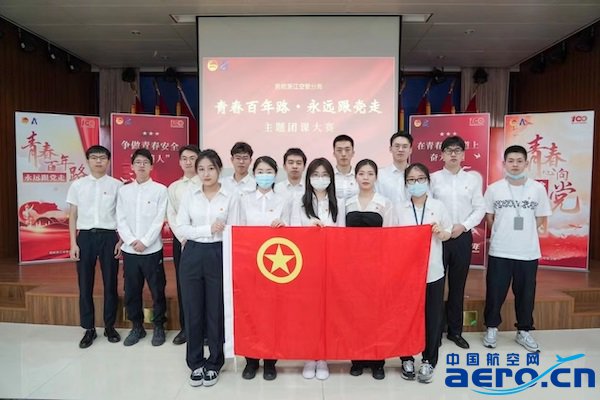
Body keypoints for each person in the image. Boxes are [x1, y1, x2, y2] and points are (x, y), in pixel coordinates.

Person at [176, 149, 239, 388]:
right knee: (193, 309)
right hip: (192, 252)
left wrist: (214, 232)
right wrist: (208, 229)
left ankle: (214, 362)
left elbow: (235, 227)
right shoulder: (190, 196)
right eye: (201, 169)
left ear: (219, 170)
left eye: (211, 168)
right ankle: (195, 362)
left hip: (219, 252)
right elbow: (182, 228)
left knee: (216, 309)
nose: (206, 173)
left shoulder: (230, 196)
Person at [482, 145, 551, 353]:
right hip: (500, 250)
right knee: (495, 292)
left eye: (519, 161)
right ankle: (491, 328)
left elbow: (541, 217)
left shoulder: (537, 189)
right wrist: (502, 232)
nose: (515, 165)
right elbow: (489, 217)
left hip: (527, 251)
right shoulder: (494, 189)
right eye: (511, 161)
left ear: (526, 163)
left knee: (526, 294)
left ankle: (524, 330)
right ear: (504, 164)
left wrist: (525, 233)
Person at [395, 163, 452, 384]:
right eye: (411, 180)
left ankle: (429, 360)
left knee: (432, 317)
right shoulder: (399, 209)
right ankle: (406, 358)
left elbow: (448, 233)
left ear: (428, 181)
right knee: (406, 316)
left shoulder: (438, 206)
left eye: (420, 179)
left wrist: (441, 232)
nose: (416, 183)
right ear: (405, 184)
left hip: (433, 271)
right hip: (405, 273)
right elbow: (390, 238)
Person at [290, 157, 344, 380]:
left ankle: (323, 357)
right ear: (308, 178)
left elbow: (342, 234)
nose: (320, 179)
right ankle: (309, 356)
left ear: (331, 178)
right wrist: (309, 230)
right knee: (308, 312)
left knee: (327, 312)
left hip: (330, 264)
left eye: (324, 175)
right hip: (306, 265)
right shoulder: (299, 202)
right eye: (315, 175)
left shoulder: (339, 202)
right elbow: (293, 232)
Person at [239, 156, 292, 381]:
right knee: (250, 311)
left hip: (275, 264)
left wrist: (283, 226)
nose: (264, 175)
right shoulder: (243, 199)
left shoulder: (284, 199)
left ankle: (270, 360)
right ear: (254, 174)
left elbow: (292, 229)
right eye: (260, 171)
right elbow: (238, 228)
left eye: (269, 171)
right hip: (249, 263)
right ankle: (251, 359)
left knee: (272, 312)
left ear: (275, 174)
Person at [430, 136, 485, 349]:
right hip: (437, 238)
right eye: (449, 150)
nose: (453, 154)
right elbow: (428, 207)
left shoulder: (472, 180)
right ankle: (435, 332)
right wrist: (441, 228)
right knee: (436, 285)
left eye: (457, 150)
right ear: (441, 155)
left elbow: (479, 208)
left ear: (463, 155)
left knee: (457, 286)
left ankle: (455, 332)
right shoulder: (433, 179)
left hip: (462, 236)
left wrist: (464, 225)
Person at [67, 145, 123, 348]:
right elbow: (72, 215)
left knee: (110, 283)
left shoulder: (117, 185)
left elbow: (122, 215)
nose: (98, 161)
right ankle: (88, 328)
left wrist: (121, 240)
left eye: (102, 158)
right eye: (94, 157)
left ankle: (109, 326)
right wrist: (73, 243)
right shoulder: (78, 185)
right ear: (88, 160)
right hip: (85, 237)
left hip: (109, 237)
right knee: (85, 284)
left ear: (108, 161)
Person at [345, 159, 394, 380]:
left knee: (377, 314)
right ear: (355, 177)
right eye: (361, 173)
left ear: (376, 177)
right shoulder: (347, 203)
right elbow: (340, 236)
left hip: (377, 265)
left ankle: (377, 361)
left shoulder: (384, 203)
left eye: (370, 174)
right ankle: (356, 359)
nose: (365, 177)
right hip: (353, 267)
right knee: (355, 313)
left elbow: (391, 235)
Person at [116, 148, 168, 347]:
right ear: (132, 166)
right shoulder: (124, 191)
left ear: (151, 166)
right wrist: (130, 240)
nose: (141, 166)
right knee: (131, 290)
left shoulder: (160, 190)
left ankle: (159, 326)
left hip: (152, 250)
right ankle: (137, 326)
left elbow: (159, 219)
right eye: (138, 162)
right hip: (130, 251)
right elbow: (120, 218)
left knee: (157, 290)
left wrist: (145, 241)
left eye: (145, 162)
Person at [166, 144, 201, 345]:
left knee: (206, 286)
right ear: (179, 162)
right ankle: (186, 328)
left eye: (192, 158)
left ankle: (206, 330)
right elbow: (172, 215)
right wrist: (183, 237)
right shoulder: (174, 187)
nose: (188, 162)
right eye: (184, 159)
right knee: (184, 286)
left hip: (205, 241)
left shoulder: (208, 183)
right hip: (183, 242)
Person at [376, 132, 412, 203]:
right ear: (390, 149)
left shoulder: (418, 176)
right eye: (397, 146)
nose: (400, 150)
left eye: (405, 146)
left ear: (410, 150)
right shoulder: (380, 175)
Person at [332, 134, 359, 200]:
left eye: (347, 150)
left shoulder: (359, 175)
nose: (343, 154)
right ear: (334, 153)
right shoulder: (329, 176)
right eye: (339, 150)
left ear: (353, 153)